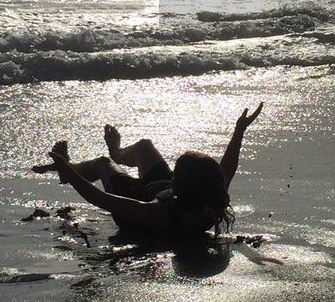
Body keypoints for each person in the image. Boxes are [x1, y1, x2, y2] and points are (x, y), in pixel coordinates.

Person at [31, 103, 264, 244]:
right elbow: (228, 168)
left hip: (136, 197)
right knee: (144, 146)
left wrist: (71, 177)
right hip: (161, 188)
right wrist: (239, 131)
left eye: (177, 174)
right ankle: (117, 150)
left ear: (181, 186)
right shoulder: (212, 199)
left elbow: (102, 200)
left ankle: (67, 169)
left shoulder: (162, 214)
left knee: (102, 164)